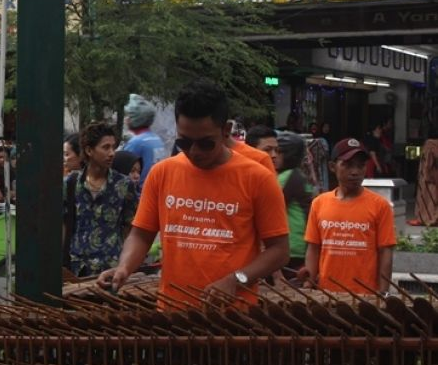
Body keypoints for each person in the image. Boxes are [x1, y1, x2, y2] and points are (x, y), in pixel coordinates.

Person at [97, 80, 289, 307]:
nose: (194, 152)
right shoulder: (163, 173)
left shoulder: (257, 177)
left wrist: (236, 279)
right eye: (184, 142)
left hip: (234, 321)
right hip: (172, 314)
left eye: (206, 144)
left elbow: (279, 250)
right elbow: (141, 234)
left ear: (226, 131)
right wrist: (125, 267)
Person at [298, 139, 396, 295]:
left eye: (360, 165)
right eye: (348, 165)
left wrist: (383, 292)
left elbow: (386, 252)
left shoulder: (380, 206)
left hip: (366, 296)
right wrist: (309, 283)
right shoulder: (319, 203)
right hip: (326, 293)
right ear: (332, 167)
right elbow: (314, 248)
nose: (355, 172)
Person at [64, 123, 139, 277]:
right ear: (89, 150)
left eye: (113, 147)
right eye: (105, 148)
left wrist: (124, 264)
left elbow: (130, 228)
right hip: (76, 268)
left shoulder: (124, 185)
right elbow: (64, 225)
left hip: (111, 269)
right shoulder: (71, 183)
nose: (112, 153)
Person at [274, 132, 314, 272]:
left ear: (288, 155)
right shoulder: (300, 175)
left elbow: (270, 208)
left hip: (292, 245)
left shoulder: (285, 177)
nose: (274, 156)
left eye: (278, 152)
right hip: (302, 245)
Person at [122, 93, 166, 187]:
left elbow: (123, 171)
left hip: (141, 193)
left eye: (129, 116)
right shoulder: (156, 139)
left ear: (136, 118)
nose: (126, 119)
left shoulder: (136, 142)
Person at [413, 128, 438, 226]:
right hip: (433, 173)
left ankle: (427, 217)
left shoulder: (430, 144)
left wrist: (426, 173)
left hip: (428, 174)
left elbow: (428, 162)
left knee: (427, 197)